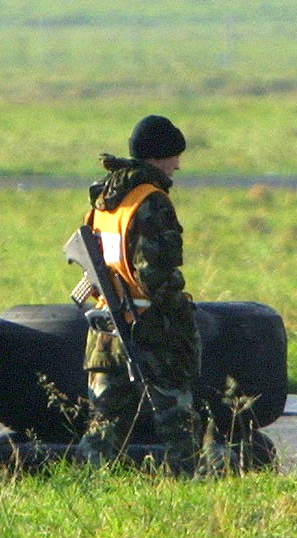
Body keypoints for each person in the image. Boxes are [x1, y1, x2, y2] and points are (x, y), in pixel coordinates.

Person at [77, 115, 203, 474]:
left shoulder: (105, 200)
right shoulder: (152, 201)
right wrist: (181, 313)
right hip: (149, 330)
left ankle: (89, 486)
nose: (177, 164)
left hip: (106, 329)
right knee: (178, 425)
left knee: (104, 428)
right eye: (173, 156)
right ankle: (188, 492)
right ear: (158, 156)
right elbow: (155, 274)